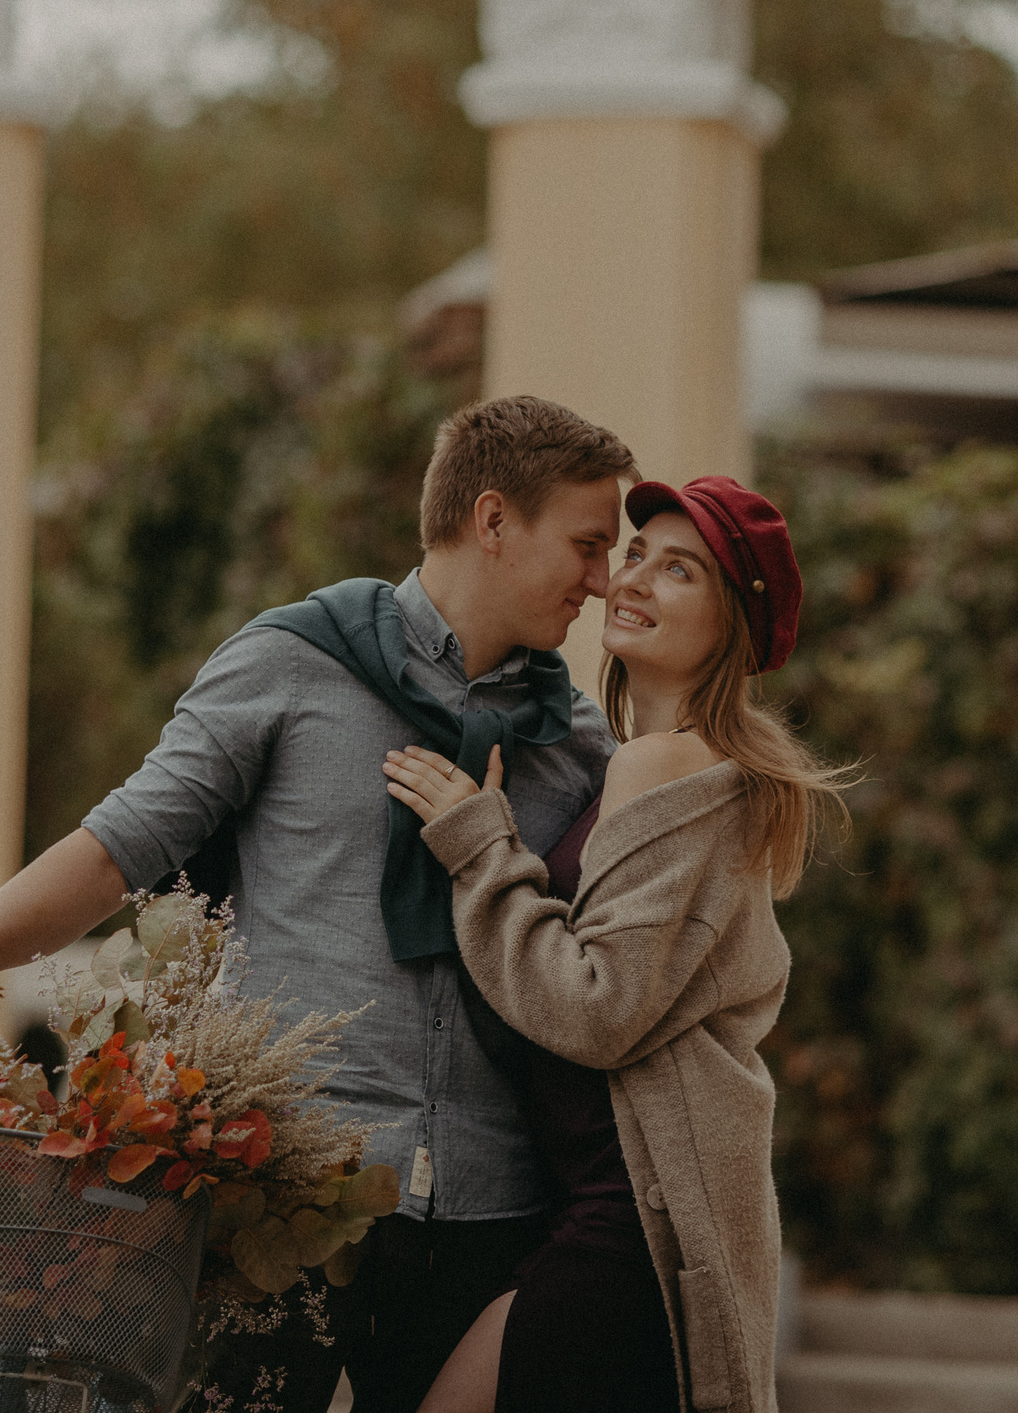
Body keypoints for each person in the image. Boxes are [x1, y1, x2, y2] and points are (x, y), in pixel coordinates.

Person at [0, 394, 638, 1413]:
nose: (602, 580)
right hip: (289, 1200)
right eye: (587, 545)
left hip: (494, 1210)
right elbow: (118, 847)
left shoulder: (581, 743)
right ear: (492, 520)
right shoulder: (292, 662)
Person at [383, 475, 849, 1413]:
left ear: (733, 628)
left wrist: (481, 847)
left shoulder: (662, 763)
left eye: (679, 571)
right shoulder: (672, 766)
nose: (631, 578)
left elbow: (596, 1008)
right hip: (610, 1201)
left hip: (630, 1213)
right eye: (635, 553)